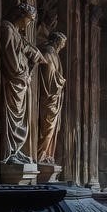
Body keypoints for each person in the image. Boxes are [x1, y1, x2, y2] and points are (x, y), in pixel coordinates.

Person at [1, 3, 47, 164]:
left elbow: (25, 48)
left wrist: (34, 57)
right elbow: (10, 58)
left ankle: (16, 150)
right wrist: (22, 73)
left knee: (21, 118)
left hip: (20, 81)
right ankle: (9, 151)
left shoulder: (16, 33)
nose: (29, 24)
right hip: (15, 80)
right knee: (12, 117)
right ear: (20, 16)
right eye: (29, 20)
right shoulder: (6, 29)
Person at [36, 30, 67, 164]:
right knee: (46, 128)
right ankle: (40, 155)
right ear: (56, 42)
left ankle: (47, 154)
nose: (62, 46)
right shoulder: (48, 53)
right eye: (61, 44)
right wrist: (60, 82)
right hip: (49, 97)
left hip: (55, 97)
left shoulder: (55, 54)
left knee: (53, 129)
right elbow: (49, 78)